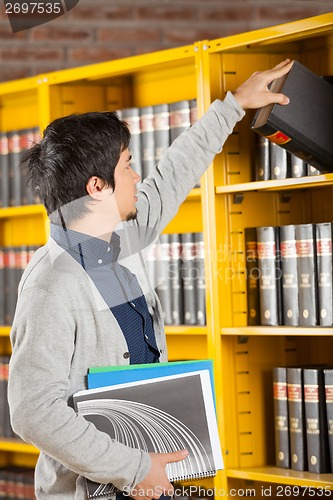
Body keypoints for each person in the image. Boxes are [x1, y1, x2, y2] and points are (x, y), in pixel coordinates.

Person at [8, 59, 293, 500]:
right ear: (97, 186)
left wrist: (235, 105)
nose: (138, 176)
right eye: (127, 166)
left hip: (145, 480)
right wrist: (136, 468)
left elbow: (171, 178)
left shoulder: (121, 238)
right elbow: (32, 413)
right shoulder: (51, 285)